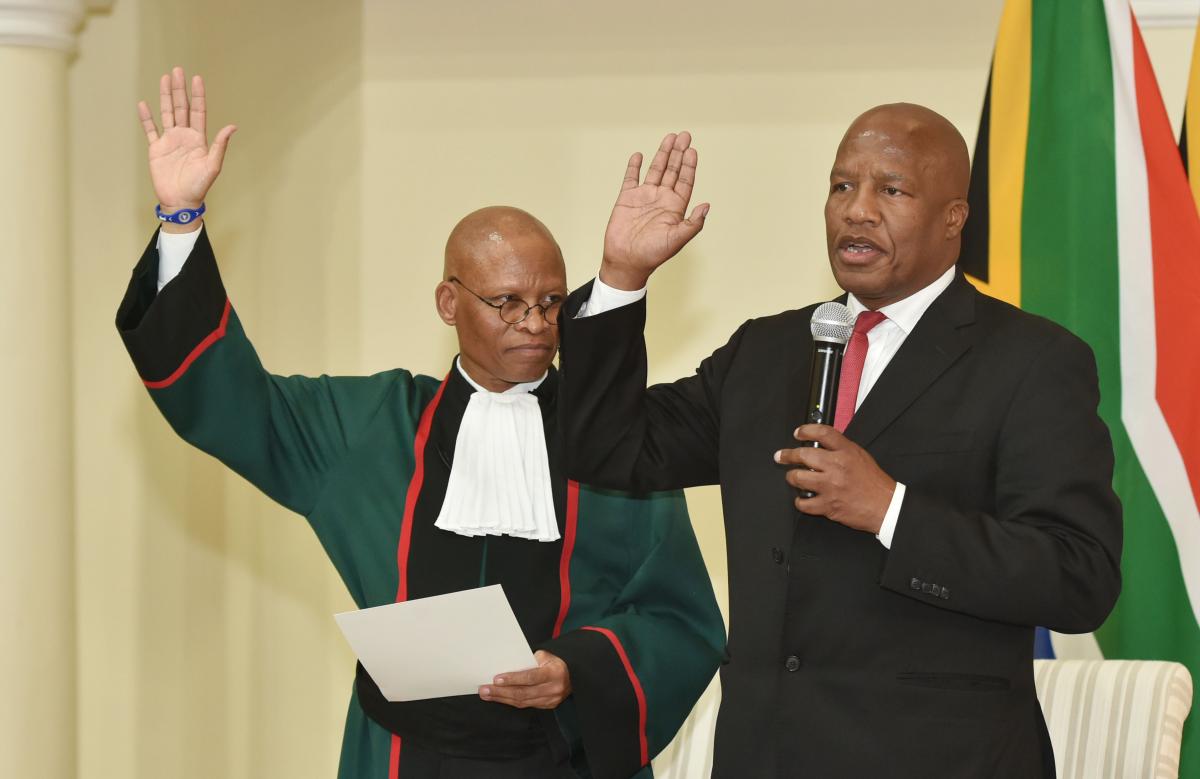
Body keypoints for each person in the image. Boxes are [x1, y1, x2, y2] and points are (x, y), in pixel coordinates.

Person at [118, 67, 724, 779]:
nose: (535, 324)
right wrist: (181, 221)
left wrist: (575, 668)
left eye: (553, 301)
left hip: (565, 760)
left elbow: (682, 622)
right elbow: (228, 401)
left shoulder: (618, 444)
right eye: (506, 301)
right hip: (404, 759)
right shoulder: (371, 427)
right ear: (448, 301)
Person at [557, 104, 1123, 777]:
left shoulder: (1031, 361)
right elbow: (608, 449)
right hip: (766, 755)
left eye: (891, 190)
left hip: (940, 759)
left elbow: (1077, 575)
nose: (856, 210)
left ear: (953, 219)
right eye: (840, 186)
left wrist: (891, 510)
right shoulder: (764, 353)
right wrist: (623, 277)